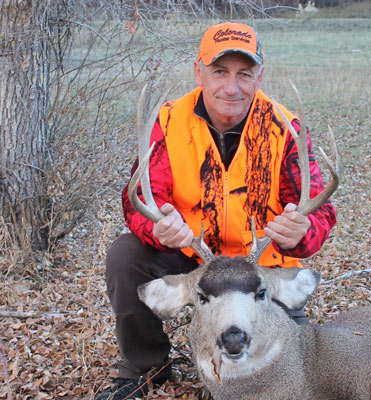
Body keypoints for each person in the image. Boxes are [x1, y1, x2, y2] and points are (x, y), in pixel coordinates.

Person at [97, 22, 336, 400]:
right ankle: (144, 369)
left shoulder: (284, 129)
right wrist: (157, 225)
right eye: (219, 72)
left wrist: (302, 232)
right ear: (198, 72)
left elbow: (321, 211)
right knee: (127, 255)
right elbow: (138, 198)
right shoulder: (169, 122)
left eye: (244, 74)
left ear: (260, 75)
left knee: (296, 367)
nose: (232, 87)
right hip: (193, 260)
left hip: (261, 271)